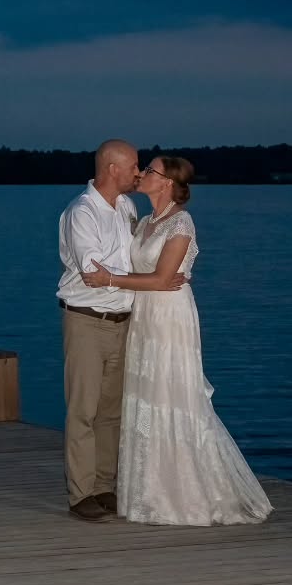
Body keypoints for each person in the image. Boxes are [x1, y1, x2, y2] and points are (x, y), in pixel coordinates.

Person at [81, 156, 273, 526]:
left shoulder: (181, 223)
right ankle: (148, 489)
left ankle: (183, 488)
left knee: (171, 394)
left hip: (170, 318)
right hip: (145, 317)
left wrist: (109, 280)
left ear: (166, 182)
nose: (142, 174)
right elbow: (146, 274)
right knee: (146, 396)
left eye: (149, 170)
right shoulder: (146, 222)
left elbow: (162, 278)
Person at [57, 140, 183, 523]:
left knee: (111, 410)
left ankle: (104, 486)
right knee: (84, 409)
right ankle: (80, 494)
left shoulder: (128, 208)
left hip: (123, 322)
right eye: (134, 166)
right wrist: (152, 279)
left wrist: (137, 277)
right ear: (113, 168)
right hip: (85, 320)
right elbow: (94, 271)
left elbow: (117, 266)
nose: (138, 172)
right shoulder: (82, 212)